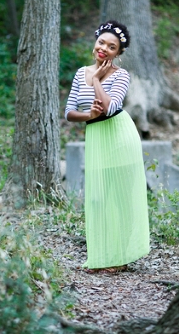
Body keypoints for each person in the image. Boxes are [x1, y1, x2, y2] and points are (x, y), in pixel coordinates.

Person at [64, 20, 149, 273]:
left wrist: (99, 81)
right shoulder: (81, 73)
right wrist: (88, 115)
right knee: (99, 199)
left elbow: (111, 107)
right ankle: (101, 256)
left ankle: (120, 258)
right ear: (95, 41)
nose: (104, 48)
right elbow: (69, 112)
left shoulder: (121, 75)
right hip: (97, 137)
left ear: (118, 53)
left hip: (119, 137)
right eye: (102, 42)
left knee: (119, 199)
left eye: (112, 47)